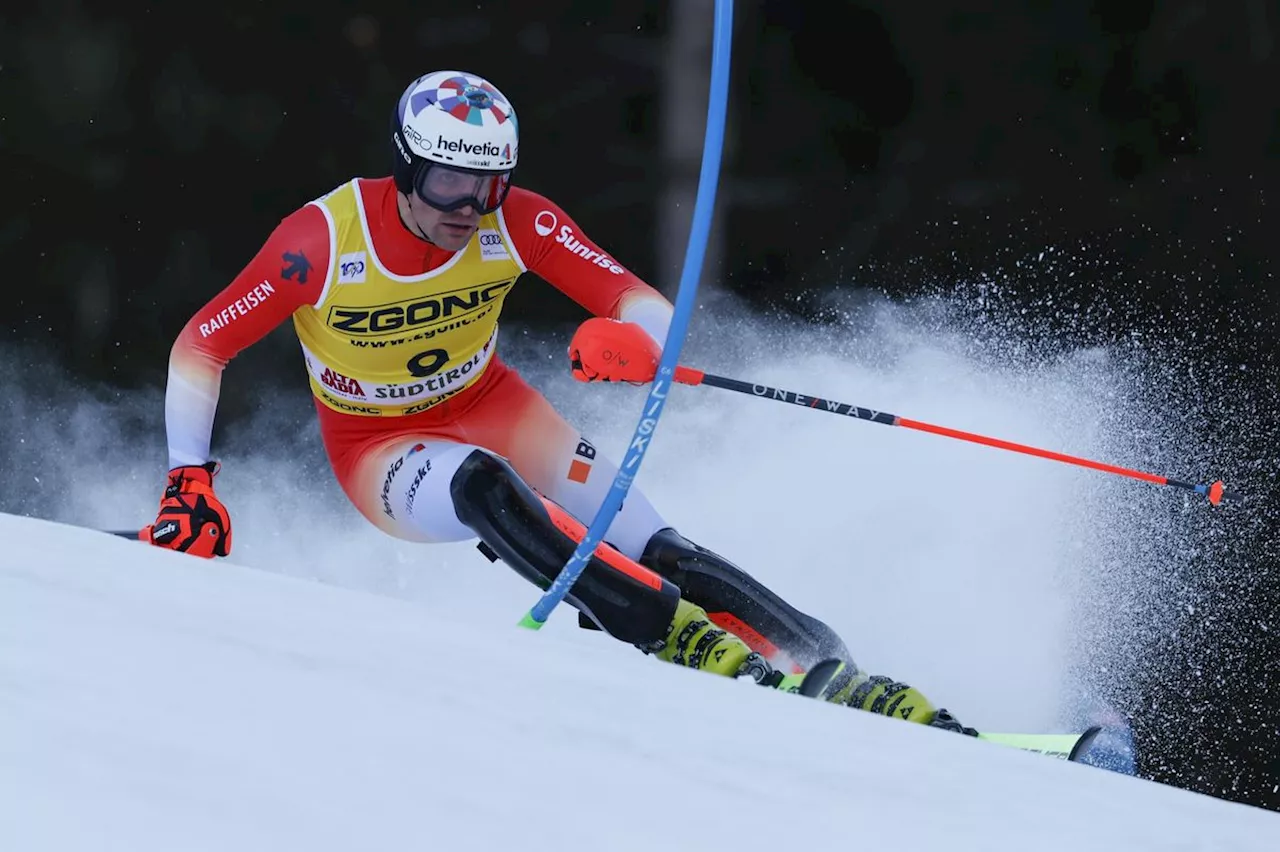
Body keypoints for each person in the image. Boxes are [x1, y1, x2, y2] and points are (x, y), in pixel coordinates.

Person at [147, 69, 976, 735]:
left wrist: (635, 342)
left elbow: (645, 305)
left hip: (489, 399)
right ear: (405, 167)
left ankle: (834, 666)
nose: (467, 212)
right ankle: (675, 637)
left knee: (654, 541)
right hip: (376, 447)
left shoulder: (519, 222)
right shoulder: (321, 242)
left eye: (487, 187)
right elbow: (201, 344)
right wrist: (191, 482)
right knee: (482, 484)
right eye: (445, 184)